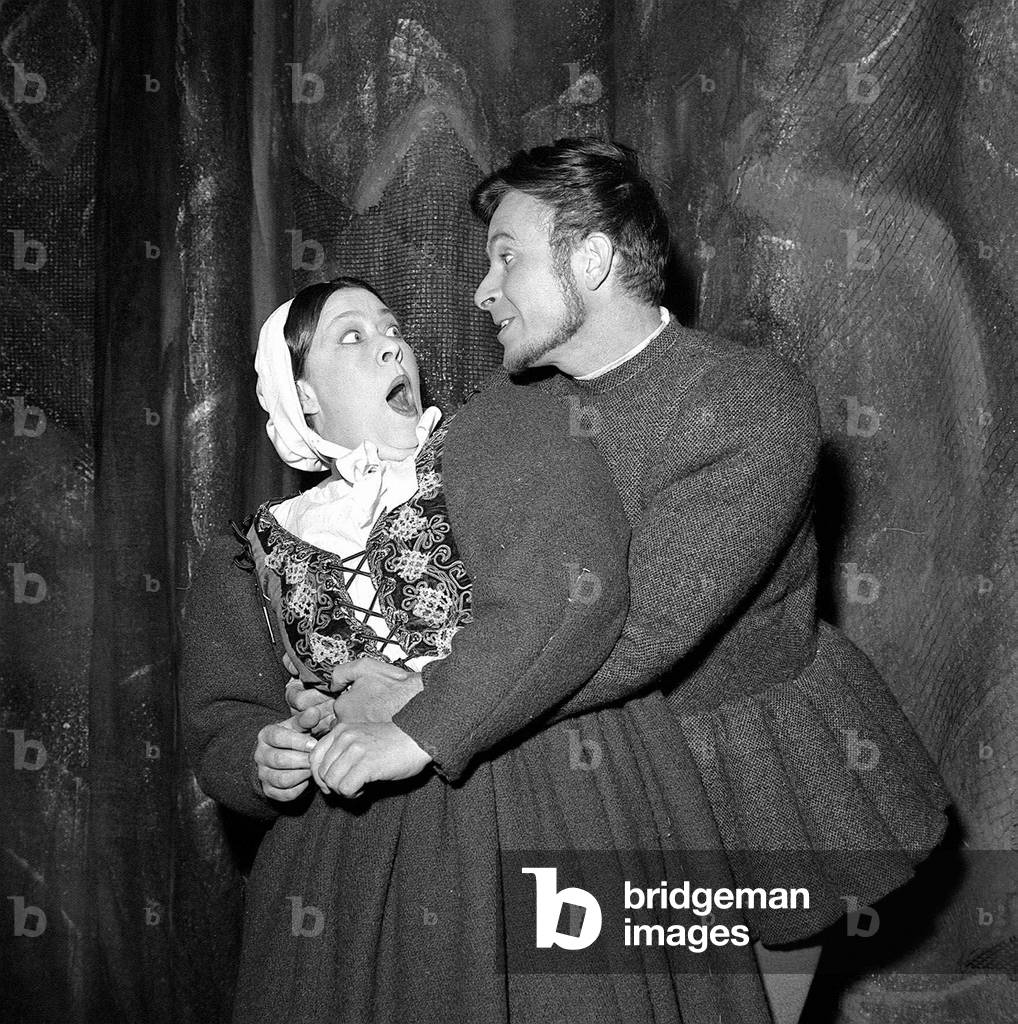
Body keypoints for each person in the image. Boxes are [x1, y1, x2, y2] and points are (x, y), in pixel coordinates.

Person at [293, 138, 952, 1023]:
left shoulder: (751, 402)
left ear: (593, 260)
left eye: (506, 258)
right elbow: (465, 592)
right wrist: (343, 676)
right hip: (581, 780)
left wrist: (418, 703)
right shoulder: (501, 411)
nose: (482, 291)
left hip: (748, 786)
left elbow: (630, 626)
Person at [184, 276, 764, 1024]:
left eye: (393, 328)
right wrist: (263, 757)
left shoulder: (494, 442)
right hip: (351, 869)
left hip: (536, 797)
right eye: (351, 337)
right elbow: (222, 716)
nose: (391, 343)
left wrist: (423, 703)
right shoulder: (253, 553)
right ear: (303, 396)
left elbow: (564, 598)